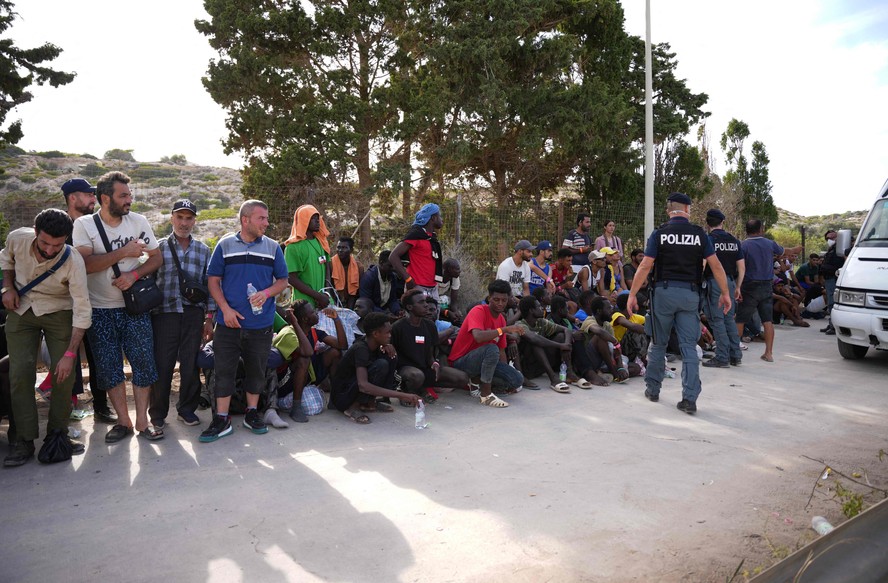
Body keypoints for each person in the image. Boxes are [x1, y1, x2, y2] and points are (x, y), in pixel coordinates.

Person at [72, 171, 163, 443]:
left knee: (144, 364)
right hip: (99, 309)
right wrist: (124, 252)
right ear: (104, 198)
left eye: (130, 195)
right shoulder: (85, 225)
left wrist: (133, 275)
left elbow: (156, 258)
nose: (129, 200)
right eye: (123, 195)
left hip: (134, 307)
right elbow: (85, 265)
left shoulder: (139, 221)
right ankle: (123, 421)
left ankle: (142, 421)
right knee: (110, 369)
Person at [626, 192, 731, 415]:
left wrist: (633, 293)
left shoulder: (660, 233)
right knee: (688, 347)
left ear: (668, 210)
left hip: (663, 294)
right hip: (690, 295)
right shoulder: (700, 235)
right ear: (687, 210)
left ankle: (653, 389)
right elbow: (717, 266)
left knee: (658, 342)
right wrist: (725, 293)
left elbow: (645, 266)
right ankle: (689, 398)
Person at [1, 209, 90, 466]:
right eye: (44, 243)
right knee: (19, 374)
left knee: (64, 376)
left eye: (57, 245)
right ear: (35, 232)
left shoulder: (73, 260)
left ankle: (58, 435)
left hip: (58, 311)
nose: (50, 250)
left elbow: (82, 308)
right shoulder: (17, 238)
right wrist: (7, 287)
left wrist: (71, 354)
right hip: (22, 309)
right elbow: (6, 260)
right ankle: (23, 440)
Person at [200, 200, 289, 443]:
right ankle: (222, 418)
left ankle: (252, 414)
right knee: (224, 371)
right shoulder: (225, 245)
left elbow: (283, 280)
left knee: (256, 371)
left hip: (260, 325)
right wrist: (225, 310)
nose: (266, 223)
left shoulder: (272, 247)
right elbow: (213, 280)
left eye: (267, 218)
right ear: (245, 219)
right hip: (228, 324)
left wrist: (267, 293)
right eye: (262, 218)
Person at [149, 199, 215, 428]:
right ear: (171, 218)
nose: (184, 223)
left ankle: (187, 409)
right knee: (162, 365)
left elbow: (211, 285)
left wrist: (209, 318)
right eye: (180, 217)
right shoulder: (157, 247)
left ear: (194, 221)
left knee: (190, 365)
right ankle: (157, 414)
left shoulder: (204, 250)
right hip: (164, 314)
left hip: (192, 315)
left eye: (189, 218)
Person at [61, 178, 115, 423]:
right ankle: (67, 407)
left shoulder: (96, 225)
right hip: (62, 304)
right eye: (88, 194)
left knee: (97, 355)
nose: (94, 199)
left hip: (92, 301)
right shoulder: (58, 225)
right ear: (73, 198)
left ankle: (101, 406)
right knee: (64, 353)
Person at [329, 312, 421, 424]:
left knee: (390, 356)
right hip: (342, 397)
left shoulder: (374, 343)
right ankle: (353, 407)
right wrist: (403, 395)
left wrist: (385, 346)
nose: (390, 336)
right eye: (387, 333)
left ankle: (368, 402)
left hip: (353, 388)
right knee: (380, 365)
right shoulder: (360, 349)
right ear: (376, 334)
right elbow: (363, 385)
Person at [448, 279, 525, 408]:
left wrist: (505, 372)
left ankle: (476, 381)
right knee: (491, 348)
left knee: (517, 380)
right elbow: (478, 337)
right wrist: (504, 330)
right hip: (462, 362)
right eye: (496, 299)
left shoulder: (501, 319)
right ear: (489, 298)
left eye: (504, 300)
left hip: (486, 363)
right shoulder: (478, 311)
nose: (500, 304)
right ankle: (486, 395)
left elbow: (501, 351)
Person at [735, 219, 803, 363]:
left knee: (740, 319)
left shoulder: (742, 245)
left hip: (749, 285)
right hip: (766, 285)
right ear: (760, 229)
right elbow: (787, 251)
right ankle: (769, 353)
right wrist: (796, 249)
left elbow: (739, 267)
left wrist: (738, 287)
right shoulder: (769, 243)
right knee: (767, 321)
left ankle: (735, 353)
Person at [391, 289, 469, 401]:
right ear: (409, 307)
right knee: (416, 376)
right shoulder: (398, 327)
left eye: (425, 302)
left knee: (462, 378)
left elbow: (429, 353)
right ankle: (407, 392)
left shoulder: (429, 326)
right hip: (405, 370)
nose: (426, 305)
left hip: (424, 369)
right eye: (421, 302)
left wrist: (434, 363)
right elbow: (392, 354)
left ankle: (423, 387)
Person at [701, 209, 745, 368]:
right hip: (731, 282)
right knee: (728, 319)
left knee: (717, 319)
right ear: (722, 222)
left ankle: (722, 356)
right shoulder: (734, 240)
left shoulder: (707, 240)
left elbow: (704, 263)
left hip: (714, 283)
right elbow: (741, 266)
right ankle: (735, 355)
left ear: (707, 223)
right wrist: (738, 286)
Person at [514, 296, 584, 392]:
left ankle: (569, 372)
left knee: (561, 336)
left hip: (540, 365)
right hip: (527, 367)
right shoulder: (520, 325)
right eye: (539, 307)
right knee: (536, 342)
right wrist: (560, 346)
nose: (542, 308)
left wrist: (566, 345)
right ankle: (553, 378)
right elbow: (534, 338)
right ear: (531, 311)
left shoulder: (541, 322)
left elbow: (566, 330)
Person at [389, 203, 444, 299]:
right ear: (433, 218)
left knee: (433, 313)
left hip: (433, 288)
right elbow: (393, 256)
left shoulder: (431, 238)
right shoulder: (415, 235)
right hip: (417, 288)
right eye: (439, 216)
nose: (441, 219)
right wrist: (408, 279)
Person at [284, 204, 332, 308]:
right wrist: (317, 296)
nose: (317, 221)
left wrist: (326, 293)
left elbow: (328, 268)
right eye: (313, 218)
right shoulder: (293, 247)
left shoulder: (322, 242)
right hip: (305, 304)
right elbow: (291, 278)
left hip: (325, 300)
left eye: (317, 217)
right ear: (303, 220)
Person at [359, 250, 405, 316]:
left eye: (395, 266)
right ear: (381, 263)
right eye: (390, 266)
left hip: (383, 311)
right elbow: (366, 303)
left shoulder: (392, 277)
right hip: (370, 314)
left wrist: (398, 311)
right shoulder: (368, 277)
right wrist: (385, 315)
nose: (394, 269)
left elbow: (392, 299)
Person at [819, 230, 843, 335]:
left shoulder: (839, 250)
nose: (830, 240)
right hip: (829, 278)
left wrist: (824, 266)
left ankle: (833, 326)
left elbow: (837, 265)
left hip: (834, 278)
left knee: (833, 303)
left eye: (832, 238)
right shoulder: (832, 250)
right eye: (828, 238)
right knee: (830, 303)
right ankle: (831, 324)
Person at [330, 236, 363, 309]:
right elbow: (328, 287)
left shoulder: (358, 267)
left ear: (351, 250)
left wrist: (350, 309)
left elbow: (356, 291)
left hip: (352, 301)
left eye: (344, 248)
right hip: (334, 301)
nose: (340, 250)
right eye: (338, 247)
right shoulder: (330, 264)